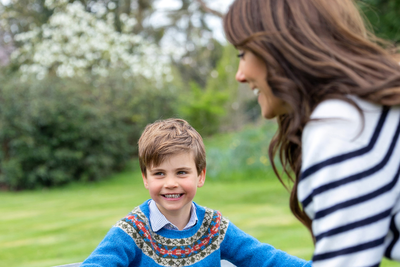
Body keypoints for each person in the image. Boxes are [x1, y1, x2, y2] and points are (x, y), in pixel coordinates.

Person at [223, 0, 400, 266]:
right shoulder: (367, 110)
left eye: (242, 54)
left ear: (278, 49)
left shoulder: (342, 126)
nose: (240, 74)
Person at [81, 118, 311, 267]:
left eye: (181, 172)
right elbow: (98, 263)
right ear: (145, 178)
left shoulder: (214, 227)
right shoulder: (132, 230)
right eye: (159, 174)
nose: (170, 183)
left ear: (200, 176)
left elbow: (265, 258)